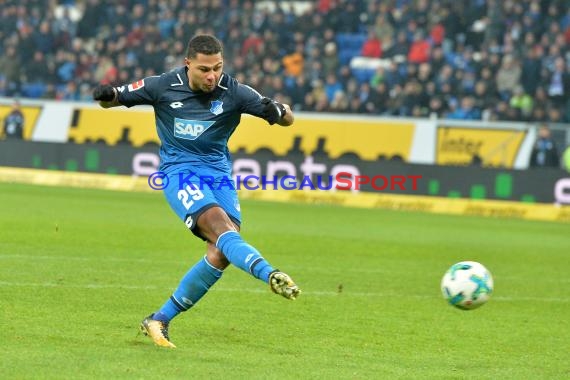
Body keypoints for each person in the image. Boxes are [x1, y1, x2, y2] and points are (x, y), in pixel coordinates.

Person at [93, 35, 301, 348]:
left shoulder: (235, 91)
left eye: (217, 68)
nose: (212, 76)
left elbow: (287, 118)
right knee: (222, 230)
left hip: (219, 175)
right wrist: (105, 94)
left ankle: (158, 319)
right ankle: (269, 273)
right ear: (188, 63)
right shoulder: (162, 85)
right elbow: (114, 98)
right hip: (179, 173)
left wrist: (279, 112)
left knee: (221, 252)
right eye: (204, 69)